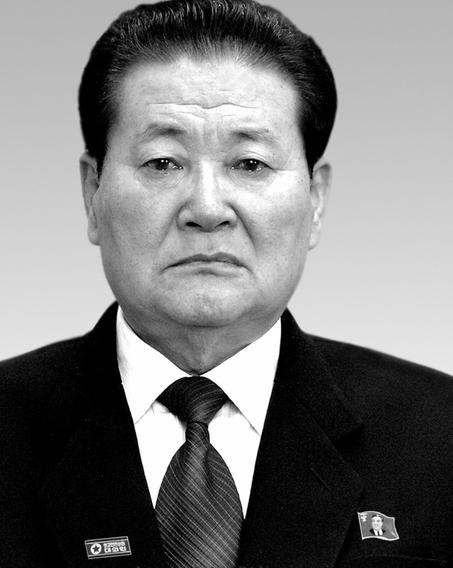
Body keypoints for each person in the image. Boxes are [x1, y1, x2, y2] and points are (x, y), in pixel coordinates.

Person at [1, 1, 452, 567]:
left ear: (315, 201)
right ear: (93, 193)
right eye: (163, 162)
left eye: (250, 163)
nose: (207, 209)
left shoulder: (439, 435)